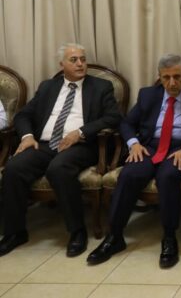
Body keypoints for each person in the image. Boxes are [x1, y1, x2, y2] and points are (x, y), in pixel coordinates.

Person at [0, 43, 121, 257]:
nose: (80, 64)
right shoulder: (48, 87)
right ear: (61, 64)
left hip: (81, 145)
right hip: (44, 144)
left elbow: (113, 117)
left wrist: (80, 132)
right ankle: (15, 232)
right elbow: (23, 115)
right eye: (74, 60)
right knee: (14, 167)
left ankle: (77, 231)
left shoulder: (101, 87)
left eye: (83, 59)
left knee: (59, 168)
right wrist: (27, 137)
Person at [86, 54, 181, 268]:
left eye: (177, 77)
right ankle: (114, 237)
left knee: (167, 176)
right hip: (150, 146)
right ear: (159, 77)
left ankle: (169, 237)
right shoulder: (148, 95)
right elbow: (126, 123)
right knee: (129, 174)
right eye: (166, 77)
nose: (172, 83)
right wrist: (134, 143)